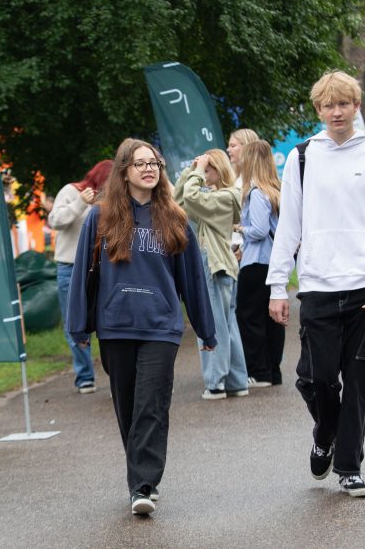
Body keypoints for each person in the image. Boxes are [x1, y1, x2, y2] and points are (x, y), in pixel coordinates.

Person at [267, 70, 365, 498]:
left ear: (356, 106)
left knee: (359, 380)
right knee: (317, 378)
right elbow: (288, 224)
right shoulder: (303, 157)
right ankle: (324, 432)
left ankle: (349, 467)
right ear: (319, 110)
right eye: (329, 105)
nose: (337, 112)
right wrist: (276, 285)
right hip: (318, 286)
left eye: (344, 104)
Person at [66, 139, 217, 516]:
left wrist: (206, 330)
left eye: (154, 163)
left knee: (152, 404)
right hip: (115, 326)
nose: (149, 169)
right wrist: (79, 328)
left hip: (160, 327)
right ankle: (141, 476)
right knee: (128, 407)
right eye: (140, 164)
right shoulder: (100, 218)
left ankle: (142, 485)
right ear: (124, 171)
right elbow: (84, 277)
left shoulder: (175, 218)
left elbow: (193, 280)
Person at [173, 148, 248, 399]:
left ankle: (216, 382)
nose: (204, 174)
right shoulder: (213, 196)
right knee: (226, 325)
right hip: (217, 265)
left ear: (220, 169)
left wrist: (195, 174)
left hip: (216, 266)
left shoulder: (228, 196)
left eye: (208, 169)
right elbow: (178, 202)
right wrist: (190, 170)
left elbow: (192, 199)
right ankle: (237, 381)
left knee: (213, 325)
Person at [48, 159, 112, 393]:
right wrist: (79, 203)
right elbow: (55, 221)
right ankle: (85, 375)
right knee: (74, 321)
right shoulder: (71, 191)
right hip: (69, 266)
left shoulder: (110, 201)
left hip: (99, 266)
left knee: (107, 317)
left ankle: (115, 370)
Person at [236, 140, 284, 388]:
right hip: (274, 262)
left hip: (256, 261)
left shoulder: (255, 193)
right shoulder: (276, 191)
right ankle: (273, 369)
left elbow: (258, 230)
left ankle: (259, 370)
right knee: (272, 319)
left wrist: (239, 228)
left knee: (248, 316)